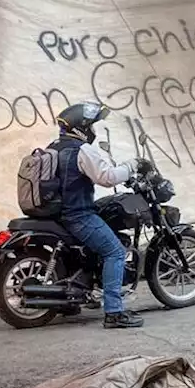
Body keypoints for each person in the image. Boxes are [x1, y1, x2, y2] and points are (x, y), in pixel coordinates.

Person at [51, 102, 143, 330]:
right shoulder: (81, 149)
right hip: (77, 215)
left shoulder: (55, 147)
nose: (94, 131)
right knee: (115, 252)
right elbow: (107, 177)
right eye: (92, 126)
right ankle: (114, 312)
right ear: (83, 127)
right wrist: (131, 166)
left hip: (59, 214)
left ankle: (74, 300)